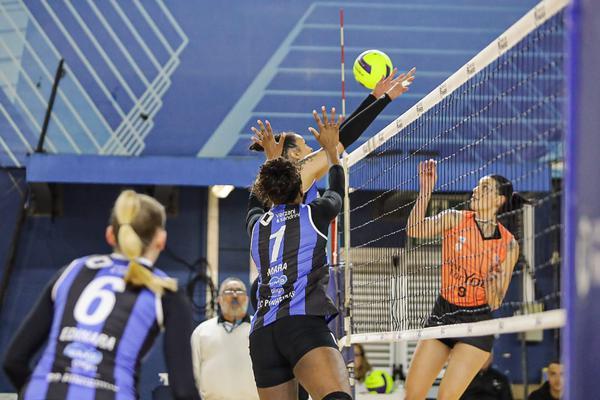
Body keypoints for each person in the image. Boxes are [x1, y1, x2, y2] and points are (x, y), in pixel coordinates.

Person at [2, 190, 199, 400]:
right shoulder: (165, 290)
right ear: (161, 239)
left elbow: (13, 361)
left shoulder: (72, 271)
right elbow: (184, 390)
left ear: (110, 235)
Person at [246, 107, 350, 400]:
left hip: (263, 333)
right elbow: (337, 189)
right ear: (302, 192)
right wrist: (331, 150)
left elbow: (257, 197)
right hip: (301, 324)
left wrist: (272, 160)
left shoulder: (255, 224)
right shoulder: (314, 215)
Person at [404, 159, 527, 400]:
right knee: (412, 395)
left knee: (447, 397)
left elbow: (495, 301)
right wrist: (426, 191)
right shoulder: (456, 219)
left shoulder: (509, 244)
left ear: (498, 200)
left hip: (477, 322)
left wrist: (493, 282)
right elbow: (414, 229)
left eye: (484, 188)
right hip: (443, 312)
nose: (475, 190)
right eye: (477, 186)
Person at [250, 67, 415, 204]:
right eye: (304, 145)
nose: (310, 148)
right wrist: (387, 98)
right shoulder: (299, 172)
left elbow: (337, 138)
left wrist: (374, 97)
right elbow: (341, 140)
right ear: (295, 154)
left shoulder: (275, 182)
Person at [190, 277, 259, 400]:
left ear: (247, 299)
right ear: (219, 299)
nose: (234, 295)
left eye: (239, 291)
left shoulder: (260, 328)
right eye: (228, 291)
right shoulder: (202, 331)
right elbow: (193, 374)